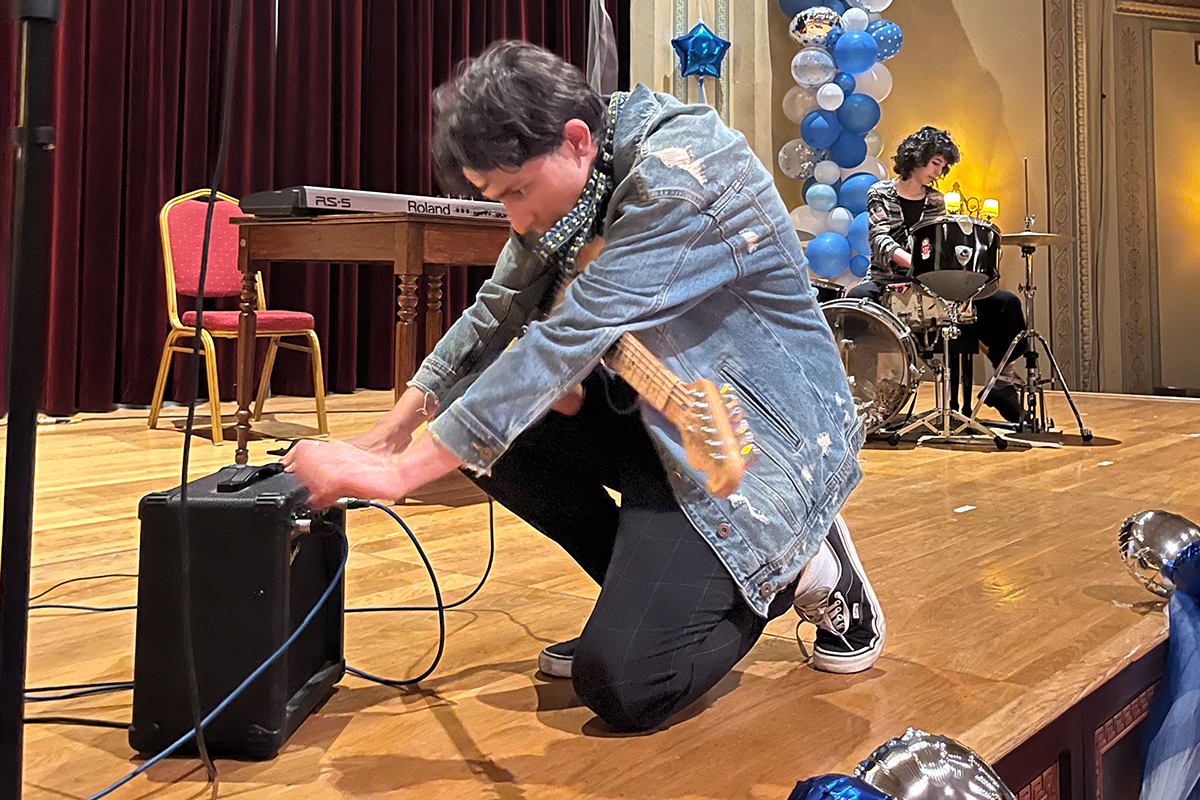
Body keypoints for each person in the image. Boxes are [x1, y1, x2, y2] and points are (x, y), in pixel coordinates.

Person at [282, 41, 883, 733]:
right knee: (489, 434)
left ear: (574, 140)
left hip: (758, 447)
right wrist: (394, 429)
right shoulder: (582, 169)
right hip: (663, 418)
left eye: (516, 192)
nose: (514, 219)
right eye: (497, 198)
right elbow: (498, 308)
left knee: (626, 687)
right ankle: (650, 605)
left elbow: (567, 336)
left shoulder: (682, 177)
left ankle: (800, 561)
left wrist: (397, 476)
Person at [846, 127, 1025, 422]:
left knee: (1006, 304)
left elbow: (938, 250)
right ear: (917, 158)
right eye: (935, 164)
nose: (939, 173)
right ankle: (865, 399)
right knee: (855, 300)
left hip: (929, 287)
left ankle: (1002, 381)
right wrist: (915, 264)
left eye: (943, 167)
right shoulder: (879, 193)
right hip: (886, 282)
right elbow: (880, 240)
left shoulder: (936, 200)